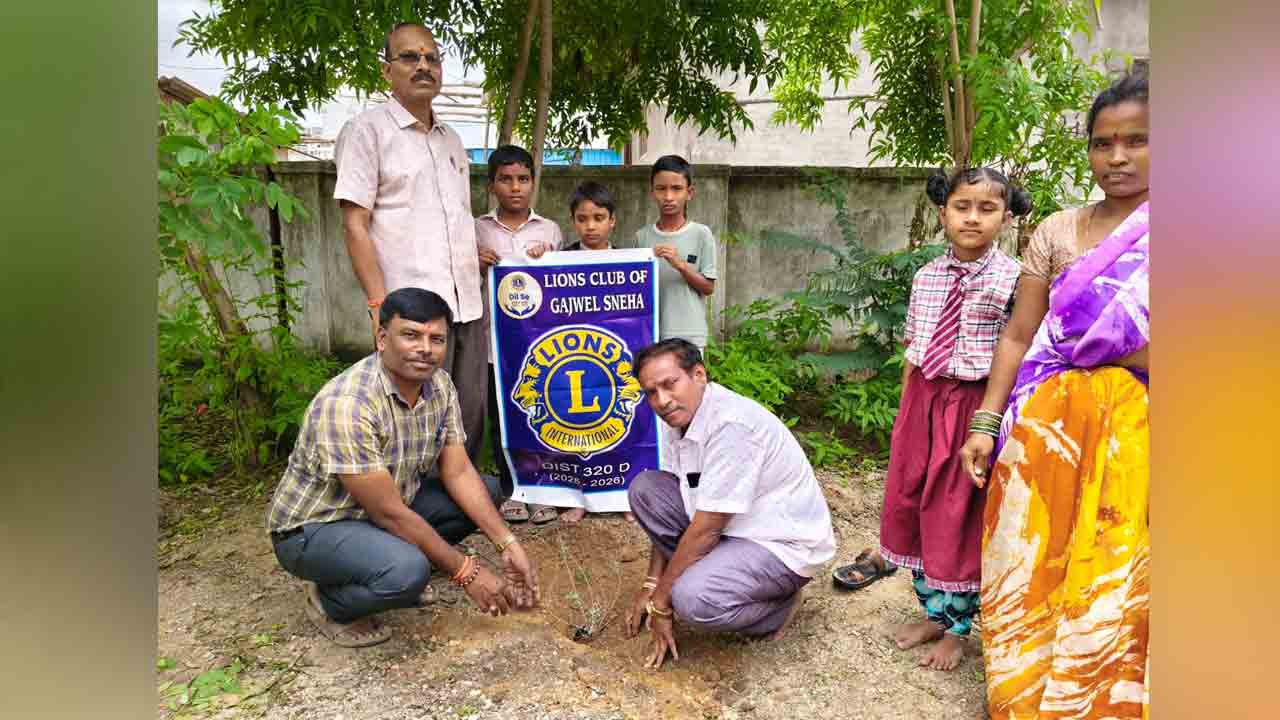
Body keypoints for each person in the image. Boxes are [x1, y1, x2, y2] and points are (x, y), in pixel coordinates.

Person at [963, 73, 1150, 718]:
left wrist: (1119, 352)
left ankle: (1105, 690)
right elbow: (1019, 333)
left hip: (1142, 433)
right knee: (1035, 550)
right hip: (1048, 429)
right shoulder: (1057, 231)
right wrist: (986, 422)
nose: (1117, 157)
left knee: (1117, 561)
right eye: (1103, 143)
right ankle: (1030, 687)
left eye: (1137, 141)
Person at [831, 168, 1030, 671]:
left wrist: (992, 422)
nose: (972, 218)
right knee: (912, 501)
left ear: (1006, 218)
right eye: (962, 206)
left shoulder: (1016, 281)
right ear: (943, 213)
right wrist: (906, 418)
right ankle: (934, 614)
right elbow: (915, 354)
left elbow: (1018, 355)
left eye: (987, 209)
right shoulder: (927, 276)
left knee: (956, 514)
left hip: (974, 405)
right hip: (923, 401)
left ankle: (960, 630)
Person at [266, 288, 540, 648]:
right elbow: (389, 513)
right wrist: (465, 571)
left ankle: (383, 560)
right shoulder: (348, 404)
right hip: (315, 528)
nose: (425, 348)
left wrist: (508, 543)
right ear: (382, 338)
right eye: (411, 335)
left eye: (436, 339)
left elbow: (458, 472)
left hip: (383, 510)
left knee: (485, 491)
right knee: (407, 571)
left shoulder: (439, 385)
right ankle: (330, 602)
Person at [622, 339, 836, 669]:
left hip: (778, 543)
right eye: (651, 392)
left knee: (692, 599)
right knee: (646, 489)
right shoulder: (677, 417)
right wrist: (651, 585)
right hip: (730, 530)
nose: (662, 400)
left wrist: (662, 603)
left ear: (699, 375)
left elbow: (706, 529)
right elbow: (680, 499)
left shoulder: (732, 426)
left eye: (670, 384)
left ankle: (777, 609)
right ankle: (714, 572)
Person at [333, 22, 488, 467]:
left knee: (466, 409)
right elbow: (354, 225)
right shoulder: (367, 131)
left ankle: (459, 504)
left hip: (466, 305)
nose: (423, 66)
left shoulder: (453, 140)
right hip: (411, 309)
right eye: (409, 57)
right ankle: (410, 506)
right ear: (387, 70)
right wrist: (379, 306)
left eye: (432, 58)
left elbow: (453, 220)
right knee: (411, 415)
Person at [475, 144, 563, 526]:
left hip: (541, 343)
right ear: (492, 185)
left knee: (541, 413)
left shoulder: (551, 230)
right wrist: (474, 263)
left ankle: (543, 489)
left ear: (532, 183)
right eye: (506, 180)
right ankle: (513, 491)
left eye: (523, 179)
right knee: (502, 417)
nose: (515, 188)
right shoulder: (476, 229)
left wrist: (551, 258)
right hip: (496, 344)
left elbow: (564, 284)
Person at [634, 155, 717, 352]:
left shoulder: (701, 234)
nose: (668, 196)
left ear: (689, 193)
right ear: (652, 193)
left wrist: (680, 265)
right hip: (652, 333)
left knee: (687, 383)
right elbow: (636, 289)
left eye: (676, 189)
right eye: (661, 189)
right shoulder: (642, 237)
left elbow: (708, 287)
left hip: (689, 335)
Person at [564, 181, 618, 252]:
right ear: (573, 221)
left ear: (612, 220)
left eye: (598, 219)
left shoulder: (625, 259)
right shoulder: (561, 259)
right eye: (581, 219)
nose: (590, 227)